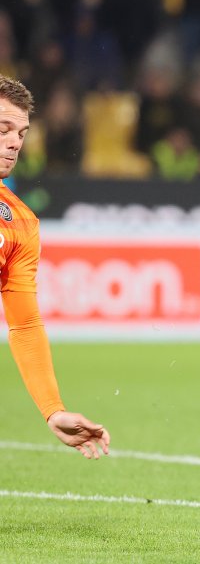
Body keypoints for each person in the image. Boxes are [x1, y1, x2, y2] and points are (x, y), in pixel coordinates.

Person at [0, 74, 110, 459]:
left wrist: (53, 409)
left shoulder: (20, 222)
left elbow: (25, 324)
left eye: (22, 133)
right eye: (3, 129)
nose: (15, 142)